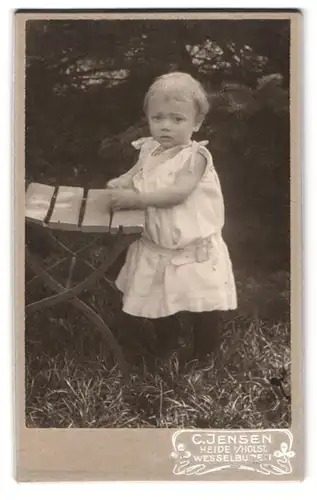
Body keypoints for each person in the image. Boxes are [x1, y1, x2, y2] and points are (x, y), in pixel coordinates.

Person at [103, 72, 237, 359]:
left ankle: (205, 353)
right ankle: (167, 342)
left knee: (202, 304)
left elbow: (178, 193)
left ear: (196, 123)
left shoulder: (195, 157)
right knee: (159, 294)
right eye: (158, 118)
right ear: (148, 119)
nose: (166, 127)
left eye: (177, 120)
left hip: (193, 248)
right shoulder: (149, 149)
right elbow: (135, 173)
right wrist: (122, 182)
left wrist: (136, 199)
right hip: (158, 244)